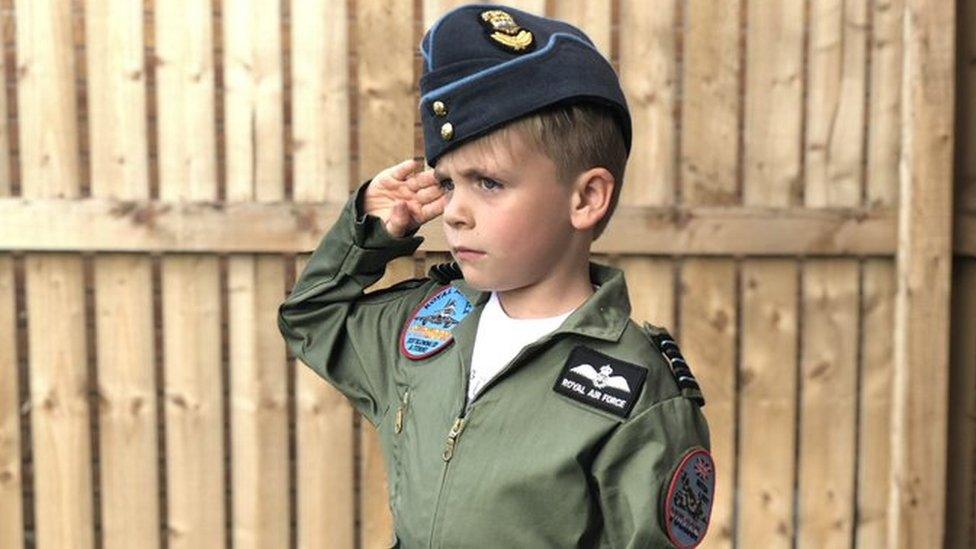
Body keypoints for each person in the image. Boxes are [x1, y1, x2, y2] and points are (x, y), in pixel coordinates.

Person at [277, 4, 713, 547]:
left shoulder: (638, 391)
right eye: (448, 183)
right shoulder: (427, 325)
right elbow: (312, 319)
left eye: (487, 183)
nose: (455, 211)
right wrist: (367, 230)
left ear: (586, 198)